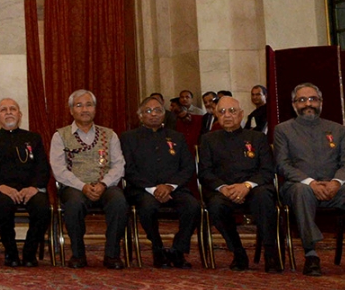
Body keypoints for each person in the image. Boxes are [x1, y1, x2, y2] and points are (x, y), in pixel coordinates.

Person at [273, 82, 345, 276]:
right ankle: (311, 254)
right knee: (302, 191)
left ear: (321, 102)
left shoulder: (337, 130)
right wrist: (310, 182)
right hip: (298, 187)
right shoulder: (283, 130)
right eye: (302, 100)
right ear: (294, 104)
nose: (307, 104)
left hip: (333, 187)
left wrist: (337, 182)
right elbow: (282, 164)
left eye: (312, 99)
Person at [198, 95, 281, 273]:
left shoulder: (257, 138)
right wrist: (223, 188)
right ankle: (238, 251)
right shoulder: (208, 140)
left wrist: (247, 186)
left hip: (254, 188)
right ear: (216, 116)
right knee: (216, 205)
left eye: (232, 111)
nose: (227, 115)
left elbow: (267, 170)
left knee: (265, 198)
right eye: (221, 112)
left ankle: (270, 252)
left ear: (241, 114)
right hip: (223, 190)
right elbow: (205, 172)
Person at [49, 89, 128, 269]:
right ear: (71, 110)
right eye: (79, 105)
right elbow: (59, 169)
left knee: (119, 202)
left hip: (105, 185)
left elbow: (119, 165)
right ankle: (78, 254)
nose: (84, 109)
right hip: (74, 186)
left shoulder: (110, 135)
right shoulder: (60, 136)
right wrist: (82, 186)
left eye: (89, 105)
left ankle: (112, 255)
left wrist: (103, 184)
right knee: (74, 204)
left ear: (95, 109)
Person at [120, 95, 200, 269]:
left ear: (164, 114)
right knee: (148, 207)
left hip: (174, 188)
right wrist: (152, 188)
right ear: (140, 115)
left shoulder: (176, 137)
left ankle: (178, 250)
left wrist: (169, 186)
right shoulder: (128, 138)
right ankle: (158, 249)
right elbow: (127, 169)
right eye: (148, 111)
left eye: (158, 110)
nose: (153, 114)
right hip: (142, 190)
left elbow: (187, 167)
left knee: (192, 206)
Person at [0, 98, 50, 268]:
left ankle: (29, 252)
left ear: (20, 115)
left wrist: (33, 187)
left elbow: (43, 168)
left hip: (30, 189)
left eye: (13, 109)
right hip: (1, 190)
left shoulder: (33, 138)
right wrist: (0, 187)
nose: (9, 112)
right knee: (3, 207)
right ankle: (11, 252)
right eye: (4, 110)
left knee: (42, 208)